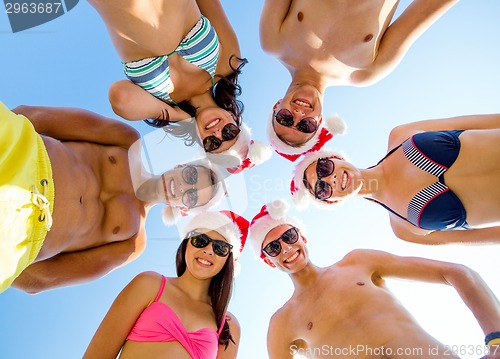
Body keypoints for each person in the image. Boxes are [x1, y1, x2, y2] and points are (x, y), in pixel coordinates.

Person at [0, 102, 223, 294]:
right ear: (182, 165)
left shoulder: (133, 242)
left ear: (186, 209)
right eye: (192, 176)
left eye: (192, 196)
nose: (184, 186)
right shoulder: (127, 142)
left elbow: (45, 277)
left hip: (17, 231)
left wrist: (10, 257)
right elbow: (39, 117)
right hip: (22, 154)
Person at [248, 199, 500, 358]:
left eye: (289, 237)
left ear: (302, 236)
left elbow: (457, 273)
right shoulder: (282, 322)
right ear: (269, 261)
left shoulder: (358, 262)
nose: (285, 249)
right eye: (273, 248)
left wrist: (496, 341)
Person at [261, 0, 458, 159]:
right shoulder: (364, 73)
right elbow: (423, 13)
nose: (298, 115)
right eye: (306, 126)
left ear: (276, 106)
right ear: (319, 121)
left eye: (285, 119)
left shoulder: (274, 42)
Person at [88, 0, 270, 169]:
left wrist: (179, 116)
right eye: (229, 132)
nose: (217, 133)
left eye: (212, 144)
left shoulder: (162, 105)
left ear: (200, 142)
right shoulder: (228, 63)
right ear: (234, 117)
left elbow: (120, 97)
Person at [291, 113, 500, 245]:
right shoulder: (405, 228)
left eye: (324, 167)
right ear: (332, 201)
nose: (331, 179)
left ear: (335, 157)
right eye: (322, 189)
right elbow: (479, 238)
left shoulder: (401, 135)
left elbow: (476, 123)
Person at [83, 210, 248, 359]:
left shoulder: (228, 325)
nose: (209, 250)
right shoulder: (148, 285)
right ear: (186, 243)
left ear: (228, 260)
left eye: (220, 248)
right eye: (201, 240)